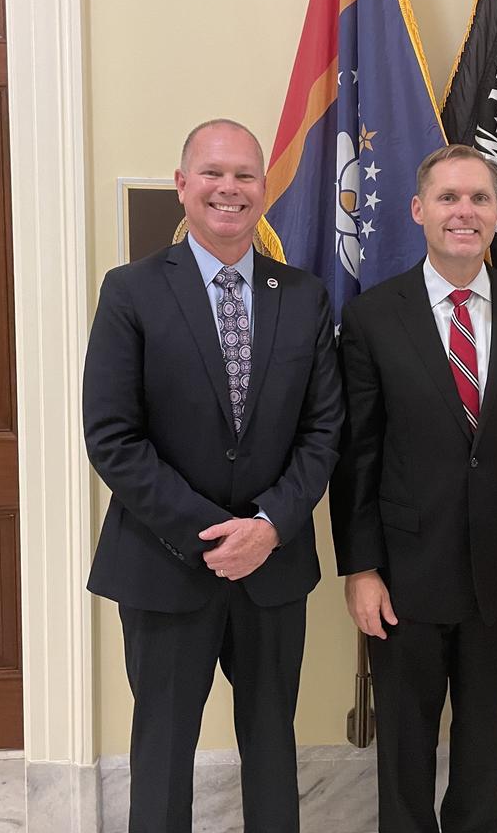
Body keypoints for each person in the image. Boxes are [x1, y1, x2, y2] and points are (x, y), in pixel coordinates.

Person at [83, 119, 343, 833]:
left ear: (263, 190)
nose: (229, 188)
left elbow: (324, 431)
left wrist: (267, 526)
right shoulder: (131, 291)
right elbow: (112, 436)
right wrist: (211, 534)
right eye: (213, 173)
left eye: (244, 176)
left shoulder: (305, 295)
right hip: (164, 568)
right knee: (162, 754)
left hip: (273, 566)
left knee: (272, 749)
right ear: (183, 184)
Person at [330, 144, 497, 833]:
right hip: (403, 573)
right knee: (404, 746)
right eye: (448, 198)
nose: (464, 212)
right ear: (418, 210)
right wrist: (362, 567)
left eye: (480, 198)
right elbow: (358, 455)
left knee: (483, 741)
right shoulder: (375, 317)